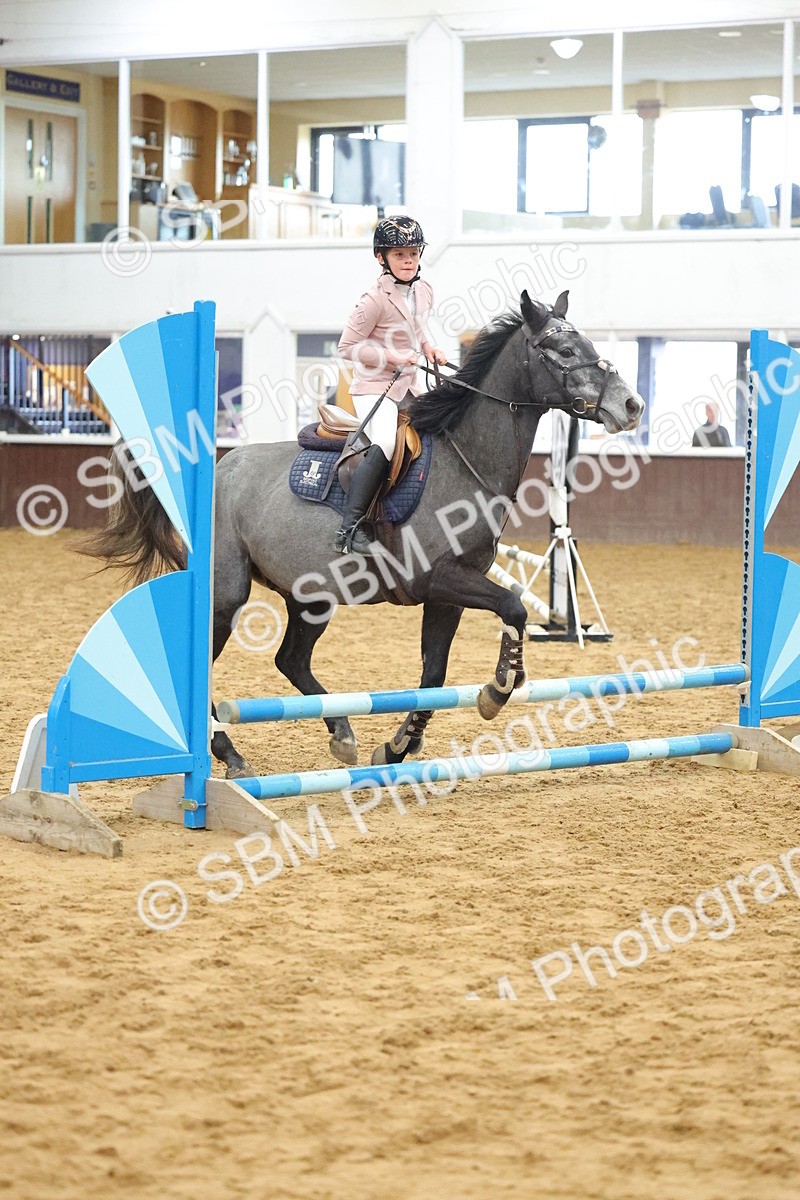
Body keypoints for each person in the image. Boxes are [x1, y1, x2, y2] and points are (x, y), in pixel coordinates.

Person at [335, 215, 447, 555]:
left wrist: (429, 347)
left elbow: (419, 326)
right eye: (400, 254)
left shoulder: (424, 290)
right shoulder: (372, 300)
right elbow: (347, 348)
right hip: (374, 389)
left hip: (410, 386)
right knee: (385, 441)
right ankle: (349, 529)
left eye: (413, 253)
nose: (409, 260)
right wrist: (393, 358)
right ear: (381, 257)